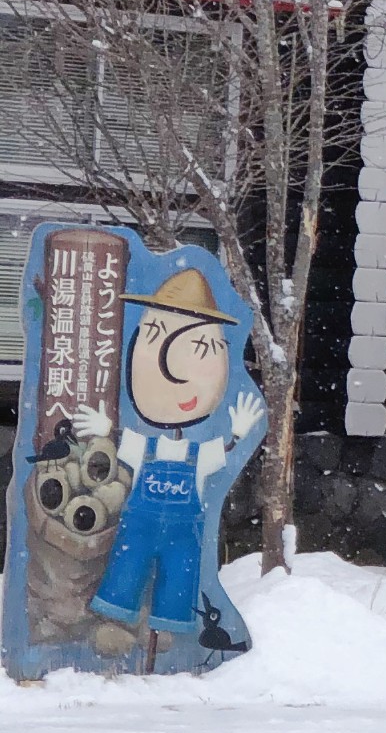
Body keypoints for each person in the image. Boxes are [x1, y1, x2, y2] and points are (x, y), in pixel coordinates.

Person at [77, 268, 263, 637]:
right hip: (139, 529)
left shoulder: (200, 455)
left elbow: (223, 449)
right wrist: (105, 430)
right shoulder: (142, 447)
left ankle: (166, 634)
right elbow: (120, 439)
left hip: (182, 535)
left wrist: (239, 432)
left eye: (202, 349)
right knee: (126, 570)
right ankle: (117, 623)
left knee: (179, 582)